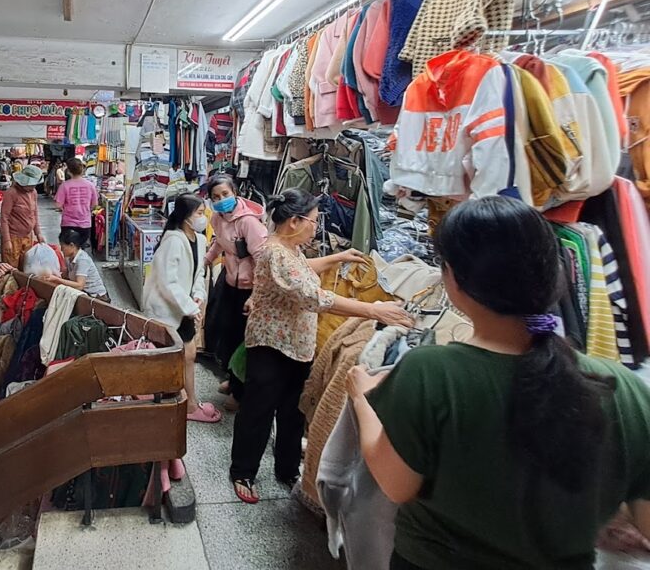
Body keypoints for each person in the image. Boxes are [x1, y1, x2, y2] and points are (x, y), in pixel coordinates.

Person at [348, 196, 650, 570]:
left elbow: (396, 484)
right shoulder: (625, 389)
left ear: (453, 279)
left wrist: (363, 397)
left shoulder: (431, 372)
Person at [230, 189, 412, 505]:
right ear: (294, 222)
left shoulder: (289, 248)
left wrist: (337, 258)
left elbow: (302, 269)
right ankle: (242, 471)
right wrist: (373, 309)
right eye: (313, 221)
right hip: (272, 344)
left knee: (292, 410)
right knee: (259, 410)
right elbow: (313, 297)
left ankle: (286, 469)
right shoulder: (274, 253)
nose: (316, 227)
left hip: (297, 344)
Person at [143, 192, 219, 423]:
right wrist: (190, 306)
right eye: (198, 213)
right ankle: (186, 403)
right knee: (180, 354)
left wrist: (197, 295)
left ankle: (187, 402)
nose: (203, 217)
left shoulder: (200, 240)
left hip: (183, 306)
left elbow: (198, 273)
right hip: (167, 308)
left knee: (187, 354)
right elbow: (168, 282)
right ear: (186, 216)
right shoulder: (173, 240)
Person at [204, 173, 268, 411]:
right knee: (226, 332)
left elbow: (263, 260)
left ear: (235, 193)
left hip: (249, 288)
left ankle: (241, 393)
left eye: (225, 194)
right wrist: (208, 259)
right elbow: (220, 242)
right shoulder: (218, 218)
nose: (221, 200)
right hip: (229, 280)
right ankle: (232, 380)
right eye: (215, 197)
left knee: (244, 341)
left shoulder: (249, 223)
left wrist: (256, 295)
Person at [44, 227, 110, 302]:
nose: (61, 250)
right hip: (85, 294)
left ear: (72, 245)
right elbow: (66, 275)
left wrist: (57, 279)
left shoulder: (82, 260)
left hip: (96, 297)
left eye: (63, 247)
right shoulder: (69, 258)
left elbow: (79, 285)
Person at [0, 164, 45, 268]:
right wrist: (7, 241)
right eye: (32, 184)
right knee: (11, 269)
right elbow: (4, 218)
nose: (33, 187)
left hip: (28, 237)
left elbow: (34, 213)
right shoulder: (11, 193)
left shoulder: (33, 192)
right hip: (13, 238)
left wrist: (38, 233)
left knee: (27, 268)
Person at [54, 157, 98, 247]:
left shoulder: (64, 186)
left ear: (69, 171)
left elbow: (58, 205)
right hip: (85, 224)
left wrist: (64, 208)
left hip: (68, 223)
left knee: (68, 249)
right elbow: (95, 205)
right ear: (82, 169)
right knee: (80, 250)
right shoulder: (90, 185)